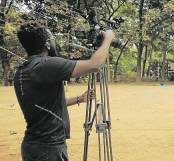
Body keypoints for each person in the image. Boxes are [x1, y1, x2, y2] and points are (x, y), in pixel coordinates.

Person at [13, 20, 115, 161]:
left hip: (32, 145)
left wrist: (79, 99)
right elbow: (95, 65)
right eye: (52, 39)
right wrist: (108, 39)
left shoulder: (21, 71)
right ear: (47, 44)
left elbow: (45, 105)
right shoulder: (45, 65)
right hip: (49, 148)